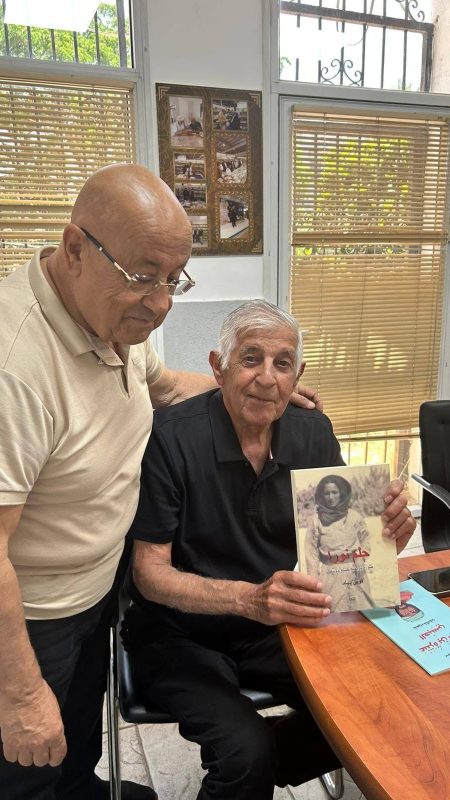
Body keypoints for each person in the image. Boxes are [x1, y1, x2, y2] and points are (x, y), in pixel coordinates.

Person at [0, 167, 321, 800]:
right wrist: (20, 692)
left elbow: (166, 386)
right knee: (28, 759)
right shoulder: (16, 368)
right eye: (143, 276)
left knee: (74, 747)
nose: (162, 302)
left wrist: (253, 391)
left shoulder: (114, 320)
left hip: (94, 589)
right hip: (32, 614)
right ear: (75, 249)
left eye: (175, 279)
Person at [123, 300, 415, 800]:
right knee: (244, 755)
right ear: (218, 368)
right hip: (178, 634)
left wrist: (385, 537)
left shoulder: (312, 431)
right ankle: (249, 762)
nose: (267, 378)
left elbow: (344, 548)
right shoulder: (169, 438)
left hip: (276, 627)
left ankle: (260, 761)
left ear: (297, 376)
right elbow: (149, 574)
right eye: (250, 358)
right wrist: (248, 599)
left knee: (377, 705)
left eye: (282, 364)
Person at [305, 474, 374, 612]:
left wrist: (360, 558)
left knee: (364, 613)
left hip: (356, 571)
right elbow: (311, 553)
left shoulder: (354, 516)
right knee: (333, 614)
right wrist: (314, 583)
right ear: (322, 496)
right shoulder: (316, 521)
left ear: (341, 494)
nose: (331, 497)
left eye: (334, 492)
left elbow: (365, 539)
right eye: (327, 493)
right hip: (330, 575)